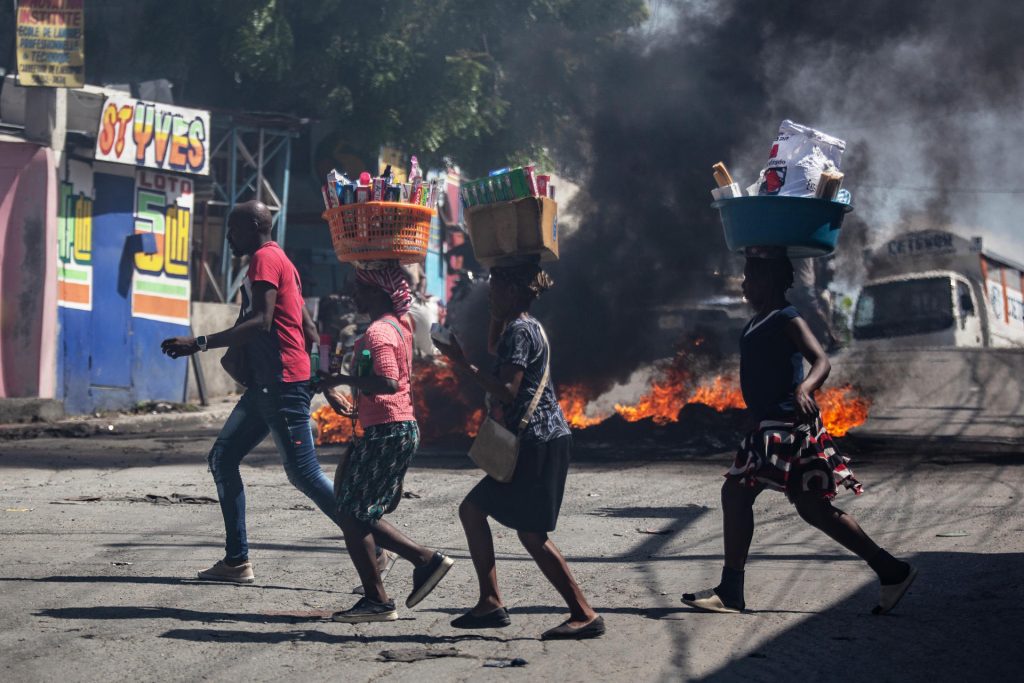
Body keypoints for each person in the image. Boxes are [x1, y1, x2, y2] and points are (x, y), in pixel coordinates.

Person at [160, 201, 393, 585]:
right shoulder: (282, 261)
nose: (230, 237)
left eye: (234, 230)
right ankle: (236, 562)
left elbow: (261, 321)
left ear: (254, 227)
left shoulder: (265, 261)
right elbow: (310, 330)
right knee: (222, 458)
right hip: (274, 383)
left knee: (305, 475)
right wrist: (322, 379)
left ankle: (379, 548)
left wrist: (198, 342)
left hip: (280, 383)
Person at [681, 254, 916, 615]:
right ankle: (891, 570)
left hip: (787, 424)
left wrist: (805, 388)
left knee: (738, 492)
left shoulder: (786, 317)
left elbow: (821, 359)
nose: (744, 285)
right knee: (813, 509)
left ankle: (731, 591)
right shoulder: (758, 320)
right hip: (768, 423)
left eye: (750, 278)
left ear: (770, 282)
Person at [435, 262, 604, 640]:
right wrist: (494, 317)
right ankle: (491, 602)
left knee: (531, 534)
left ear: (513, 292)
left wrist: (460, 362)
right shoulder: (523, 327)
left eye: (494, 288)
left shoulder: (521, 331)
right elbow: (498, 348)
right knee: (475, 510)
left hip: (539, 442)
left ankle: (584, 612)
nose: (488, 294)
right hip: (540, 440)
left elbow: (507, 390)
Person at [316, 265, 454, 623]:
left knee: (352, 513)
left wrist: (343, 377)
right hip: (389, 427)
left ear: (378, 294)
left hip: (387, 430)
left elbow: (389, 382)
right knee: (355, 511)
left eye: (360, 290)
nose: (354, 297)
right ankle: (411, 570)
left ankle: (401, 579)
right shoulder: (398, 325)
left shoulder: (379, 331)